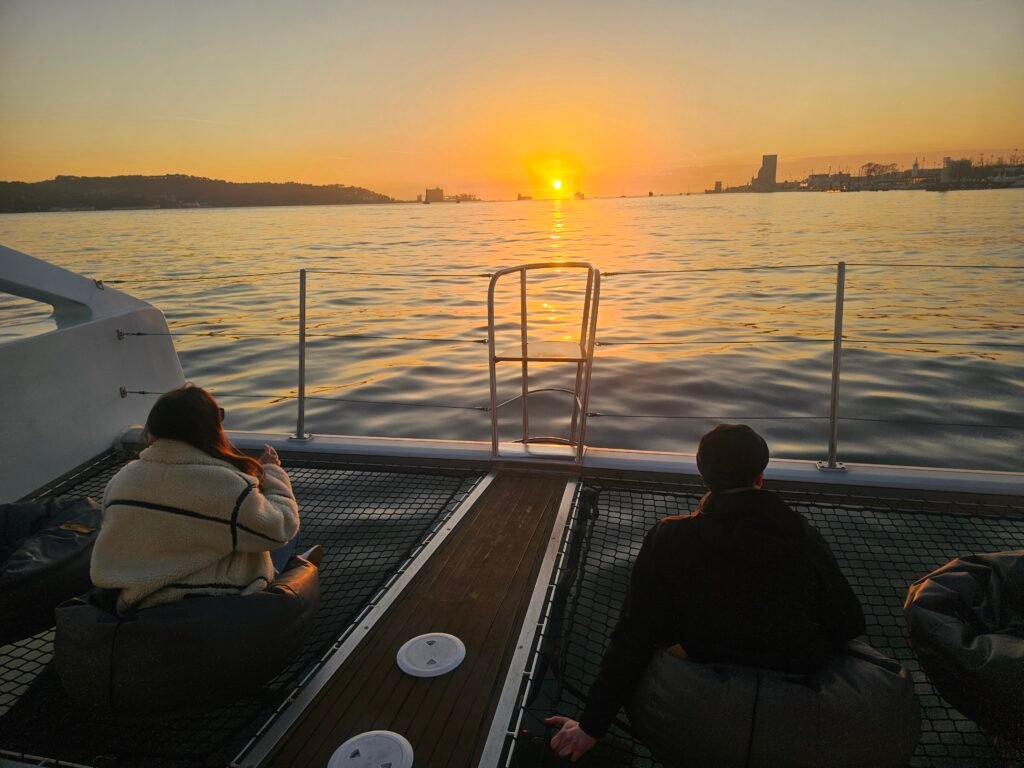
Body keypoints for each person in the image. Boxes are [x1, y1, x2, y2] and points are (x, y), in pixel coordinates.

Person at [547, 423, 866, 761]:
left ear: (702, 473)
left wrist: (591, 727)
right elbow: (849, 623)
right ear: (760, 476)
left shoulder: (669, 539)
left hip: (696, 707)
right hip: (797, 711)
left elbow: (632, 637)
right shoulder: (804, 539)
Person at [90, 384, 301, 614]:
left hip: (136, 601)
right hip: (207, 604)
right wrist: (272, 472)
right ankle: (289, 575)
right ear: (210, 427)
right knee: (282, 535)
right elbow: (282, 526)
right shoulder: (228, 486)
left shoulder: (121, 480)